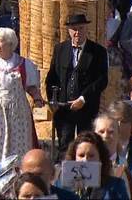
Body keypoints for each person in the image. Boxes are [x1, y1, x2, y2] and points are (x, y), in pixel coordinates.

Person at [0, 27, 44, 165]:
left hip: (18, 114)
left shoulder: (24, 64)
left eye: (1, 41)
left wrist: (37, 98)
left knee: (19, 149)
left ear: (11, 44)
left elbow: (31, 87)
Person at [46, 14, 109, 153]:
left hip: (87, 108)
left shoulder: (98, 51)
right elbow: (52, 77)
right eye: (74, 29)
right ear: (68, 30)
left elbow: (102, 80)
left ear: (86, 29)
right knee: (64, 146)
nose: (77, 32)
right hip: (63, 108)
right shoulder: (60, 49)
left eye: (81, 28)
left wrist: (83, 98)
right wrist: (52, 100)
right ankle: (63, 173)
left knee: (86, 144)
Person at [64, 131, 129, 199]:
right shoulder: (62, 186)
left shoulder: (115, 186)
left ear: (100, 159)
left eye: (91, 156)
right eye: (81, 155)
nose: (85, 160)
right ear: (74, 158)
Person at [93, 115, 132, 199]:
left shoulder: (129, 165)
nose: (105, 136)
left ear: (118, 134)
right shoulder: (85, 164)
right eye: (101, 132)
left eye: (111, 132)